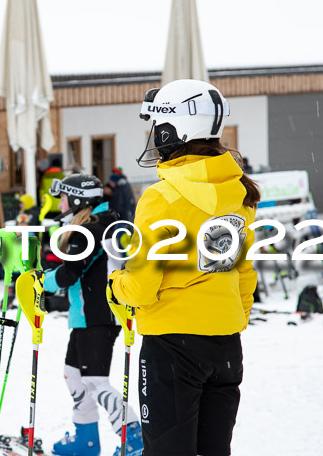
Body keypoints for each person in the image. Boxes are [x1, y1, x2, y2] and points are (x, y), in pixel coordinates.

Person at [109, 79, 261, 456]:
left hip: (173, 348)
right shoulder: (239, 192)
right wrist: (228, 318)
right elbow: (244, 274)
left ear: (170, 130)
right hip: (226, 346)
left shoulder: (161, 197)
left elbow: (142, 287)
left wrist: (115, 285)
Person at [44, 173, 143, 456]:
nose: (60, 205)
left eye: (63, 198)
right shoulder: (105, 221)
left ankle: (134, 440)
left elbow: (69, 273)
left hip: (98, 315)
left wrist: (41, 282)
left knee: (95, 382)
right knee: (74, 375)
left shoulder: (91, 229)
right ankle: (86, 439)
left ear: (78, 199)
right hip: (92, 315)